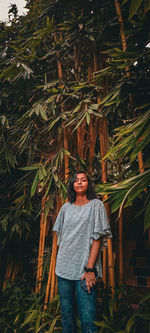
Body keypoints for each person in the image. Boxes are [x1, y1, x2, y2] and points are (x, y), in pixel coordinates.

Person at [53, 171, 112, 333]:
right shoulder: (65, 208)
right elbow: (61, 235)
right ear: (72, 184)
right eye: (76, 180)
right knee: (67, 316)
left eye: (83, 180)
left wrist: (90, 268)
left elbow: (98, 238)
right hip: (63, 269)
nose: (79, 182)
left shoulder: (96, 205)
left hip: (85, 270)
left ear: (88, 184)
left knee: (88, 319)